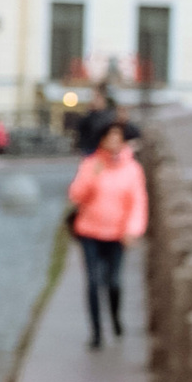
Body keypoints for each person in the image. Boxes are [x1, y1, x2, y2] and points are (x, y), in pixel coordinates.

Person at [67, 120, 148, 347]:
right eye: (109, 136)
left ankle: (115, 317)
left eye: (117, 137)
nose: (113, 141)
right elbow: (75, 196)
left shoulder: (132, 169)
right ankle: (96, 332)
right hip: (90, 231)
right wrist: (92, 176)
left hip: (116, 234)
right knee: (93, 282)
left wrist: (133, 230)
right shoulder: (91, 164)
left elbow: (138, 202)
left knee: (113, 282)